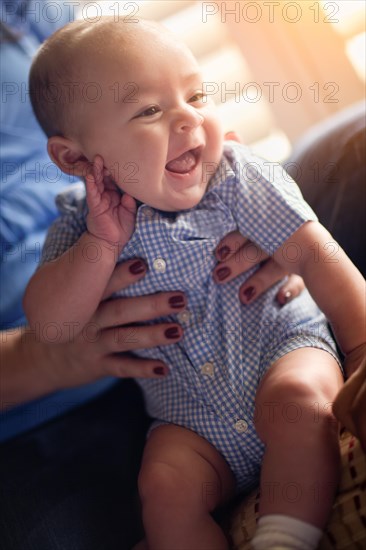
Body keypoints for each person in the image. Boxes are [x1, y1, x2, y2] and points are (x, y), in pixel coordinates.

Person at [23, 17, 366, 550]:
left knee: (299, 402)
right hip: (190, 419)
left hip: (281, 351)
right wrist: (101, 245)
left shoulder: (235, 175)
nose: (188, 119)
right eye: (150, 111)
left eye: (197, 94)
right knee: (162, 486)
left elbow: (319, 258)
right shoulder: (80, 226)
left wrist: (362, 348)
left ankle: (282, 539)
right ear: (76, 159)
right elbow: (51, 326)